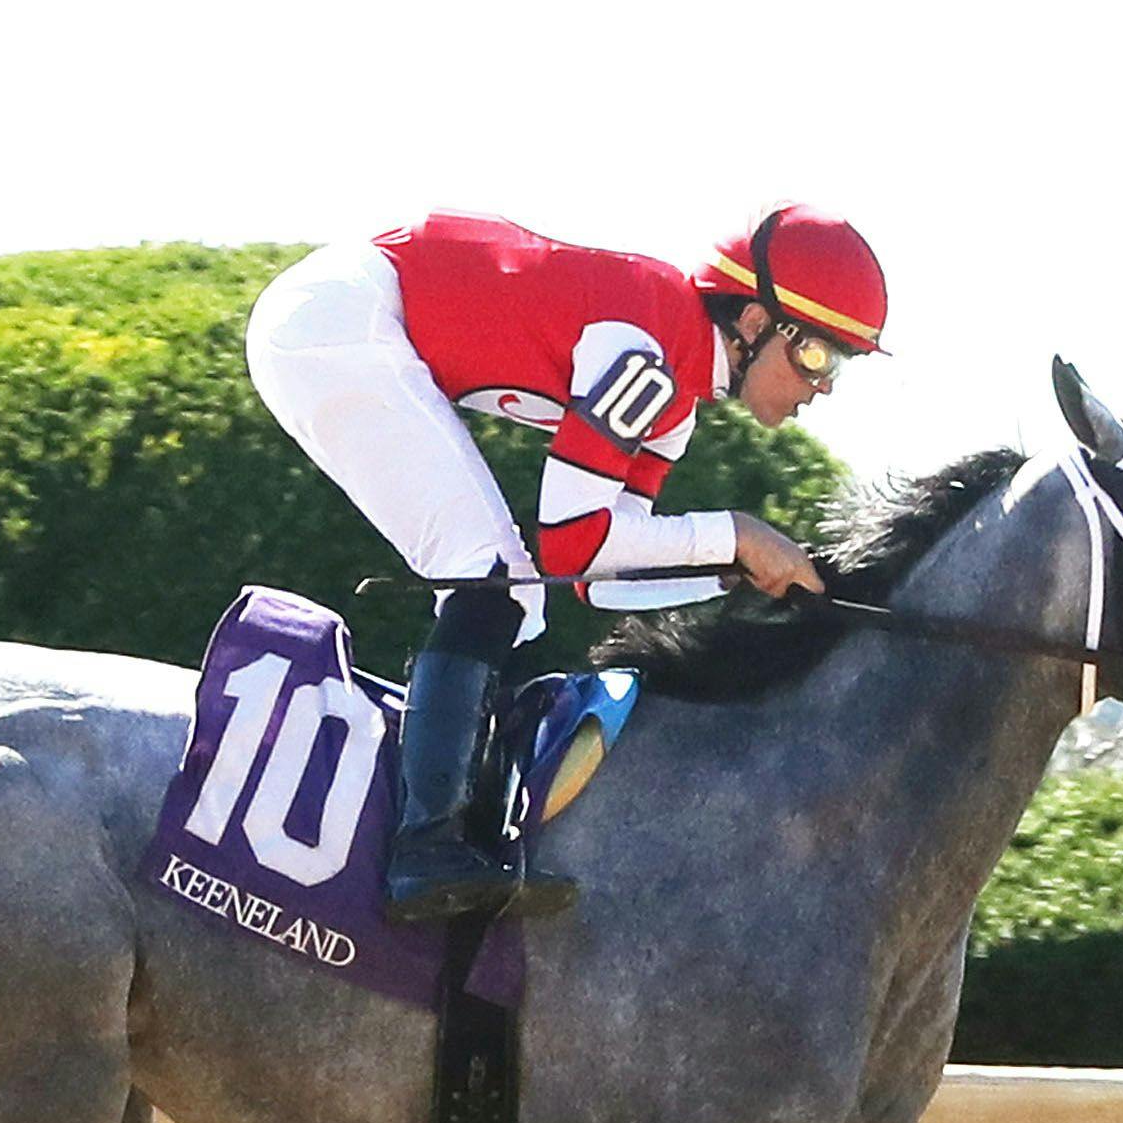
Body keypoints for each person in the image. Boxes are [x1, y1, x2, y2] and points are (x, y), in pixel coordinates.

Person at [244, 203, 887, 923]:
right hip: (338, 322)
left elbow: (592, 579)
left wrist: (723, 572)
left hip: (345, 318)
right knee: (490, 573)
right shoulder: (650, 349)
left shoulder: (673, 409)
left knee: (517, 595)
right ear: (753, 323)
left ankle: (452, 829)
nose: (823, 384)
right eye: (818, 355)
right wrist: (734, 534)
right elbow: (572, 540)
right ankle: (425, 846)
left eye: (840, 365)